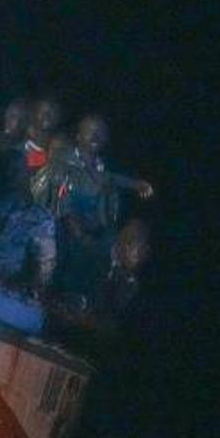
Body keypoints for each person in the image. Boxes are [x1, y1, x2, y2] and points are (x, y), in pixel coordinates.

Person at [34, 115, 154, 302]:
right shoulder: (63, 159)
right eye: (91, 131)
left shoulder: (102, 168)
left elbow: (108, 190)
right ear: (79, 136)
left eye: (101, 133)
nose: (95, 137)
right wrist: (76, 229)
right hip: (56, 222)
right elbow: (59, 197)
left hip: (87, 231)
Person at [0, 148, 56, 294]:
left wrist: (28, 288)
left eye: (17, 170)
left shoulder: (39, 217)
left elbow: (45, 265)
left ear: (28, 174)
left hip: (12, 294)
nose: (11, 174)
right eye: (7, 169)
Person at [24, 96, 62, 171]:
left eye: (51, 112)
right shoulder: (23, 148)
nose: (47, 116)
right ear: (32, 115)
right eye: (42, 112)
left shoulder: (59, 147)